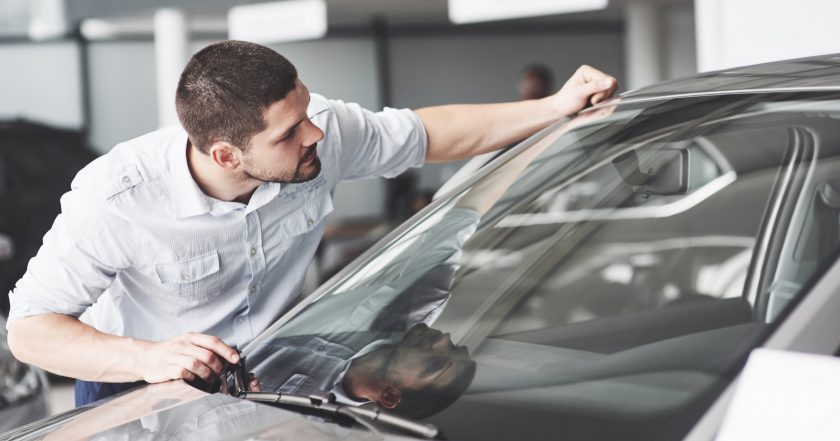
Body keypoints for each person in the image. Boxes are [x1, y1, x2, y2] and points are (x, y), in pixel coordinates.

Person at [5, 40, 617, 406]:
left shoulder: (318, 131)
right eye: (291, 131)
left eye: (307, 111)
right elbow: (30, 331)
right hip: (136, 386)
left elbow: (431, 135)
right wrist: (147, 358)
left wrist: (554, 107)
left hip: (265, 370)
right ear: (226, 155)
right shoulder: (116, 198)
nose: (317, 133)